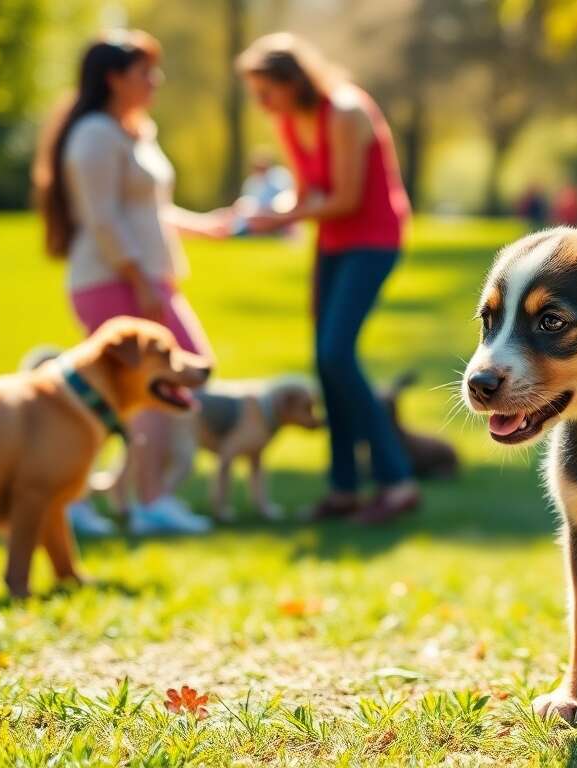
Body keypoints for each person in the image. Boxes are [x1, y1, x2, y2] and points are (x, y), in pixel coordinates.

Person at [33, 30, 226, 535]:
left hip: (148, 278)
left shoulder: (135, 131)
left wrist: (207, 225)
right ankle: (101, 500)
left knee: (170, 383)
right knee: (137, 389)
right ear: (114, 79)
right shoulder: (94, 135)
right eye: (145, 72)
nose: (155, 81)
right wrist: (138, 278)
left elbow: (149, 210)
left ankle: (137, 498)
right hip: (113, 279)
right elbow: (103, 219)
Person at [232, 33, 420, 524]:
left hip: (374, 238)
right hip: (333, 242)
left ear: (292, 81)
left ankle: (396, 481)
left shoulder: (346, 111)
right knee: (325, 360)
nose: (261, 103)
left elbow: (347, 198)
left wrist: (274, 221)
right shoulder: (290, 119)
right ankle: (343, 487)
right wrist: (257, 214)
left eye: (265, 91)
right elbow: (305, 193)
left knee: (337, 352)